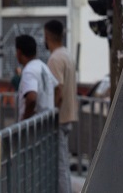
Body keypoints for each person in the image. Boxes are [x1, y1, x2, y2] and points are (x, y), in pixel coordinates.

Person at [44, 20, 77, 193]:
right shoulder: (67, 54)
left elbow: (58, 90)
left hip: (59, 119)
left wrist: (51, 113)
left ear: (47, 35)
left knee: (60, 166)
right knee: (62, 163)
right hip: (68, 116)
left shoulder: (55, 59)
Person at [15, 34, 57, 121]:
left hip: (33, 127)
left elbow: (31, 98)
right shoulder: (43, 66)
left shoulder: (29, 71)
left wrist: (24, 120)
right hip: (47, 123)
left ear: (19, 52)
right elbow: (58, 89)